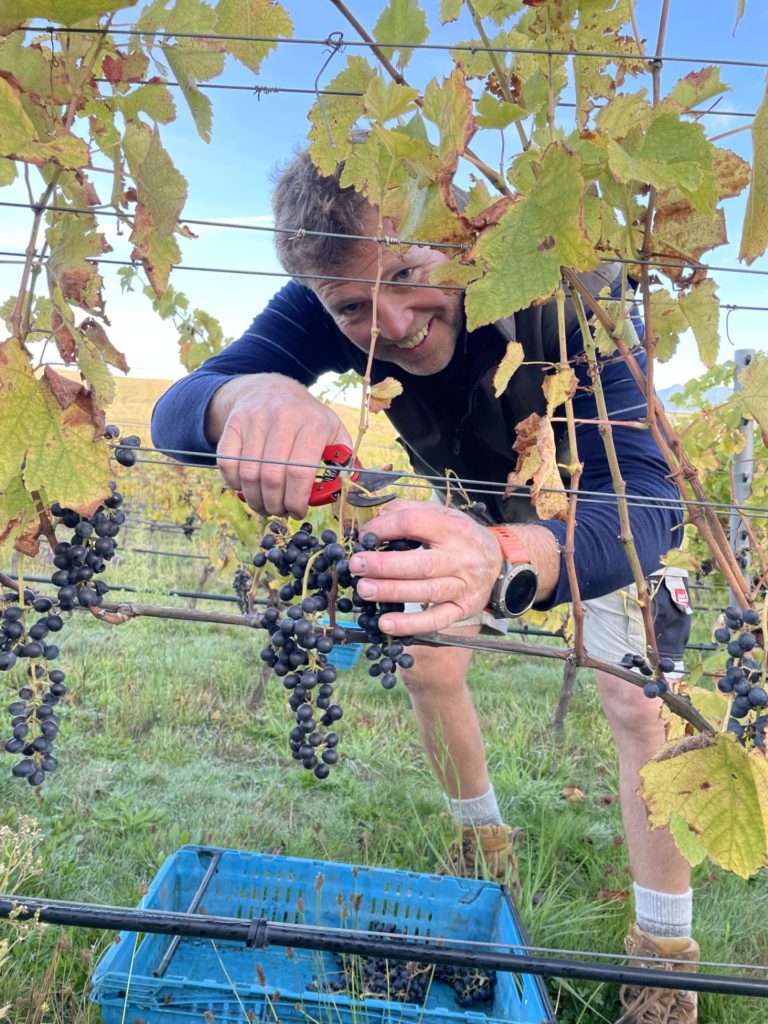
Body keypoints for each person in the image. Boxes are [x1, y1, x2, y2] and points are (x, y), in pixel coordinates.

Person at [152, 149, 698, 1024]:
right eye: (355, 308)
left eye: (409, 274)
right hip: (459, 496)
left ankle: (665, 961)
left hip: (598, 509)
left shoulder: (562, 286)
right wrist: (245, 397)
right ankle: (487, 862)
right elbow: (179, 410)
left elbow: (651, 495)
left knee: (640, 706)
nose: (396, 321)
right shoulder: (331, 295)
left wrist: (507, 557)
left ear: (454, 234)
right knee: (426, 665)